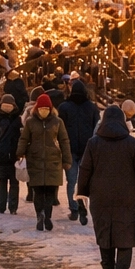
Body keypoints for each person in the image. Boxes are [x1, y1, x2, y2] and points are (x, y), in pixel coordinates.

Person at [76, 104, 135, 269]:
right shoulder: (132, 144)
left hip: (100, 197)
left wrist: (83, 191)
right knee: (126, 235)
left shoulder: (93, 143)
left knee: (105, 233)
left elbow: (85, 169)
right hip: (128, 198)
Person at [17, 94, 72, 230]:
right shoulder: (30, 122)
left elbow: (64, 141)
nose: (44, 110)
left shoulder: (57, 122)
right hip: (35, 160)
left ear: (50, 108)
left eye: (46, 108)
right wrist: (20, 152)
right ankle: (40, 215)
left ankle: (47, 216)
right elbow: (24, 139)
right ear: (37, 108)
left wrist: (67, 160)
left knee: (50, 192)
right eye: (41, 108)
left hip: (53, 161)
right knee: (38, 191)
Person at [58, 78, 98, 224]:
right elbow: (96, 128)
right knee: (85, 181)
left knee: (72, 180)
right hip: (87, 149)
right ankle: (83, 205)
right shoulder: (92, 108)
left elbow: (60, 129)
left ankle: (74, 208)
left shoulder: (64, 107)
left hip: (70, 148)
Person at [0, 99, 23, 214]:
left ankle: (1, 206)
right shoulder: (18, 119)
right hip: (14, 153)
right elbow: (21, 137)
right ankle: (13, 207)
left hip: (0, 153)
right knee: (14, 182)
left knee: (2, 182)